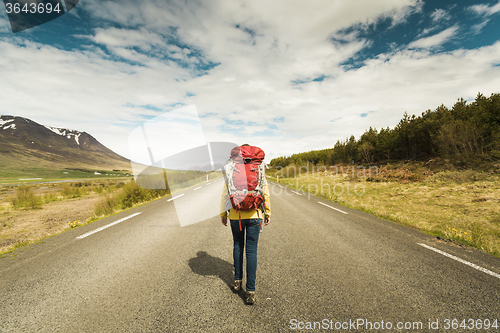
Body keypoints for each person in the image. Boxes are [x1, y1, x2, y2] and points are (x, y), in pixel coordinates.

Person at [220, 146, 271, 305]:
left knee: (237, 245)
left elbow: (225, 192)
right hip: (255, 214)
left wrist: (223, 214)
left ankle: (237, 282)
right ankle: (250, 291)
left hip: (236, 214)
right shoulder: (258, 166)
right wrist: (267, 212)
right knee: (251, 250)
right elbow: (265, 190)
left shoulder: (232, 167)